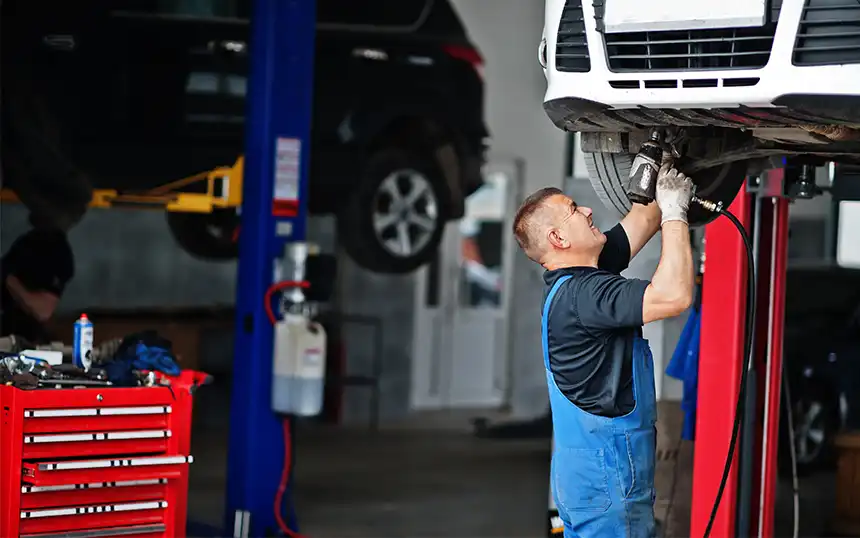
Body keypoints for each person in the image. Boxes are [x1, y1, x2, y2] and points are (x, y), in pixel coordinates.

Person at [512, 156, 694, 537]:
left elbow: (643, 219)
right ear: (558, 240)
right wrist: (676, 213)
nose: (588, 209)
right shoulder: (587, 296)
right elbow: (674, 295)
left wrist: (660, 159)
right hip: (607, 482)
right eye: (575, 210)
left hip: (593, 478)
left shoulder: (577, 277)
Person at [0, 227, 75, 344]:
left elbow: (43, 311)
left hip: (25, 347)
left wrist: (9, 279)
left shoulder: (56, 250)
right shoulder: (23, 243)